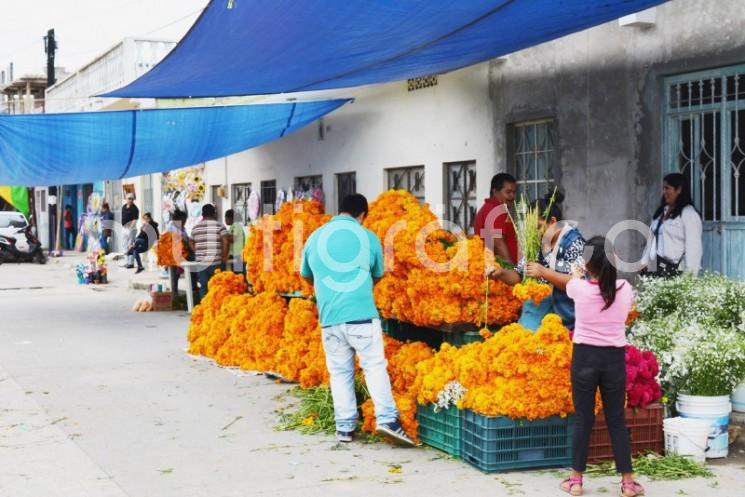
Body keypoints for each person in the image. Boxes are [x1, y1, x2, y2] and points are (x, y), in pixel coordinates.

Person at [300, 193, 415, 446]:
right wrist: (360, 287)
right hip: (361, 315)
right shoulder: (367, 237)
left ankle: (344, 427)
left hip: (330, 317)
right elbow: (377, 274)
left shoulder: (315, 237)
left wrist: (325, 290)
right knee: (374, 366)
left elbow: (306, 275)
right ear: (362, 215)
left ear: (339, 210)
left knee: (339, 371)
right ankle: (387, 419)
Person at [559, 236, 643, 497]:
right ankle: (628, 483)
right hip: (613, 359)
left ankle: (576, 481)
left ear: (588, 264)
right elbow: (611, 294)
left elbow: (573, 282)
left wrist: (577, 271)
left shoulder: (578, 289)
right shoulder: (625, 289)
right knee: (616, 419)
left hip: (585, 357)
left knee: (583, 418)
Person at [487, 191, 585, 330]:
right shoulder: (537, 241)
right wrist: (500, 273)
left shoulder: (574, 242)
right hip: (540, 316)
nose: (535, 232)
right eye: (531, 228)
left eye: (538, 226)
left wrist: (544, 272)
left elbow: (577, 283)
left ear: (552, 222)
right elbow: (519, 274)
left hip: (569, 320)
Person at [641, 172, 702, 277]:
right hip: (656, 269)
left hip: (676, 271)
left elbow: (694, 249)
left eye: (667, 188)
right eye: (663, 188)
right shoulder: (661, 213)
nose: (664, 192)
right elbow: (651, 240)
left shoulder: (689, 214)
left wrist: (688, 279)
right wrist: (644, 262)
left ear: (679, 190)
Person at [474, 173, 518, 264]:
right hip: (501, 269)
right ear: (495, 192)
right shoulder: (496, 209)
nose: (512, 196)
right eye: (508, 192)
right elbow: (498, 243)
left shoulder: (488, 208)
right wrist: (512, 270)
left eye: (514, 192)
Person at [190, 204, 229, 301]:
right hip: (216, 262)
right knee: (218, 286)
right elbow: (226, 241)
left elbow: (190, 241)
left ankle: (204, 309)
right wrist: (224, 256)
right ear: (214, 214)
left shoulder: (196, 227)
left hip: (201, 263)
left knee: (204, 286)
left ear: (202, 215)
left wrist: (197, 251)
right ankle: (217, 308)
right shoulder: (219, 226)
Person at [122, 193, 140, 268]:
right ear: (126, 199)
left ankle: (131, 262)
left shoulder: (135, 208)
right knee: (124, 245)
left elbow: (135, 219)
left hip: (131, 229)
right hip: (124, 228)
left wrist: (130, 228)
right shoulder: (124, 207)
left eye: (131, 199)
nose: (130, 200)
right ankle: (126, 261)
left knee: (130, 245)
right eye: (128, 198)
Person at [225, 209, 245, 273]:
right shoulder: (232, 227)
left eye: (225, 218)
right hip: (234, 254)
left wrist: (222, 236)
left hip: (238, 255)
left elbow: (233, 238)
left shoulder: (236, 226)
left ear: (230, 218)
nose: (225, 220)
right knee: (235, 274)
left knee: (239, 275)